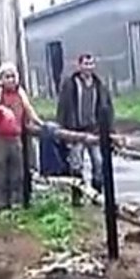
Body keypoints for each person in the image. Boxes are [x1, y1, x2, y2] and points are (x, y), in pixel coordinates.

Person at [56, 53, 114, 193]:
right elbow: (63, 108)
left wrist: (109, 130)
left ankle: (97, 193)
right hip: (76, 130)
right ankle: (77, 194)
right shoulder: (70, 85)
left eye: (91, 64)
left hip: (94, 131)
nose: (88, 67)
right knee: (76, 164)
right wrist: (63, 131)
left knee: (98, 162)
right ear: (79, 66)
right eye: (85, 64)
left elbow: (108, 108)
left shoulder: (99, 86)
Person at [0, 62, 43, 209]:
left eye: (13, 76)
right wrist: (3, 110)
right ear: (1, 79)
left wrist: (40, 124)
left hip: (15, 138)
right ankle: (0, 204)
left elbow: (29, 110)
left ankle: (16, 203)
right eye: (7, 77)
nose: (11, 80)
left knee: (17, 173)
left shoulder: (20, 94)